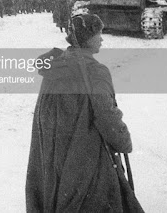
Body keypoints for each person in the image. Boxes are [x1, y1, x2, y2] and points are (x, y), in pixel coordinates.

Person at [26, 13, 135, 212]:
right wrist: (123, 140)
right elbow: (107, 114)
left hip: (55, 154)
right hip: (85, 155)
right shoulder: (95, 71)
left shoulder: (55, 67)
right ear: (87, 38)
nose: (101, 39)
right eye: (98, 34)